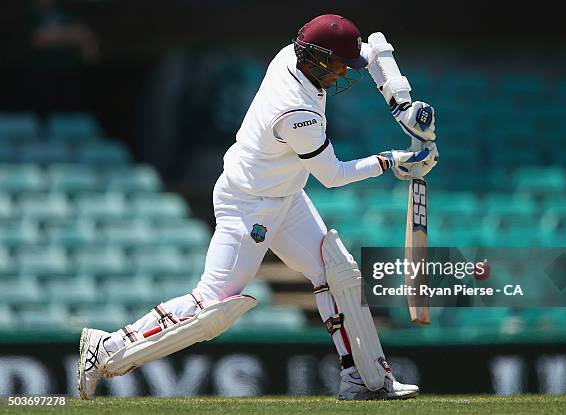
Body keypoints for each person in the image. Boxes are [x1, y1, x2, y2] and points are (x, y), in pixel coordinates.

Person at [78, 14, 438, 401]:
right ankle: (108, 349)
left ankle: (366, 380)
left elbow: (373, 52)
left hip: (285, 194)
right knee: (212, 305)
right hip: (250, 205)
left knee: (338, 273)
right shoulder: (297, 113)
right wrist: (392, 160)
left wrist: (402, 106)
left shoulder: (293, 53)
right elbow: (333, 175)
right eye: (336, 67)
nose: (341, 75)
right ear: (316, 60)